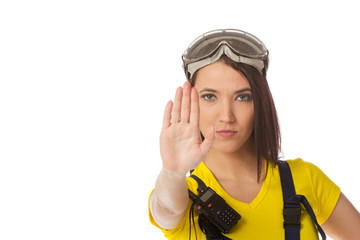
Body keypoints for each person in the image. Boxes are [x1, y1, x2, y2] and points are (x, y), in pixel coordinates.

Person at [148, 29, 360, 239]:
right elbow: (166, 211)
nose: (226, 116)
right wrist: (173, 172)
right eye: (210, 96)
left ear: (260, 102)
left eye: (242, 97)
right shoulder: (183, 194)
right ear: (192, 101)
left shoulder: (304, 179)